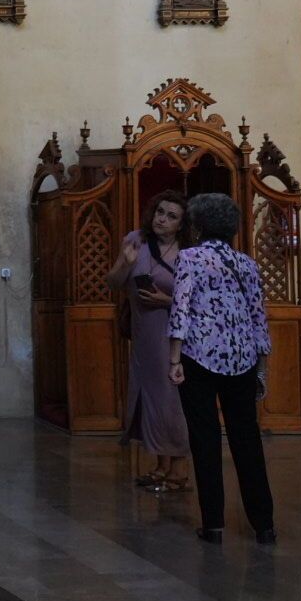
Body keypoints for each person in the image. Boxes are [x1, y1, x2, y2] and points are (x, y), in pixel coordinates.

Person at [167, 192, 275, 545]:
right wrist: (262, 364)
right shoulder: (247, 263)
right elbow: (259, 316)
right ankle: (264, 525)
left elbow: (180, 308)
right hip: (242, 358)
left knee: (206, 440)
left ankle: (213, 525)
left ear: (197, 226)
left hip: (199, 358)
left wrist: (174, 359)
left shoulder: (190, 258)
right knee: (247, 440)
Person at [106, 190, 191, 493]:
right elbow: (113, 282)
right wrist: (126, 264)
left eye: (171, 216)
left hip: (173, 337)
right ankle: (160, 465)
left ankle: (179, 470)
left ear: (181, 224)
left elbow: (196, 302)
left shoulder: (189, 252)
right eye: (160, 212)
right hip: (144, 336)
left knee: (171, 401)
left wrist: (165, 300)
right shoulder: (136, 240)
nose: (162, 219)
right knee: (150, 398)